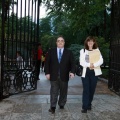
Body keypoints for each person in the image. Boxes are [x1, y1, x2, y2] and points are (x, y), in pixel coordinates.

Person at [45, 36, 75, 114]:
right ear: (56, 43)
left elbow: (72, 63)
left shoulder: (69, 52)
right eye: (58, 41)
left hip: (64, 75)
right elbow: (47, 63)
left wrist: (72, 72)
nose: (60, 42)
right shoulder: (51, 51)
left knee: (63, 91)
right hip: (53, 75)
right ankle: (53, 107)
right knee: (54, 91)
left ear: (64, 42)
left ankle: (61, 104)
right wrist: (47, 73)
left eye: (62, 41)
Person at [80, 36, 103, 113]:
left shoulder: (97, 50)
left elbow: (101, 61)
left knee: (92, 89)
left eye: (92, 41)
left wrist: (94, 65)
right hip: (85, 72)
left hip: (94, 72)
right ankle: (85, 107)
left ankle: (89, 103)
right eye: (88, 41)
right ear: (86, 42)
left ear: (94, 42)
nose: (90, 42)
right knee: (86, 89)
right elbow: (81, 62)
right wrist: (90, 65)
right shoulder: (82, 51)